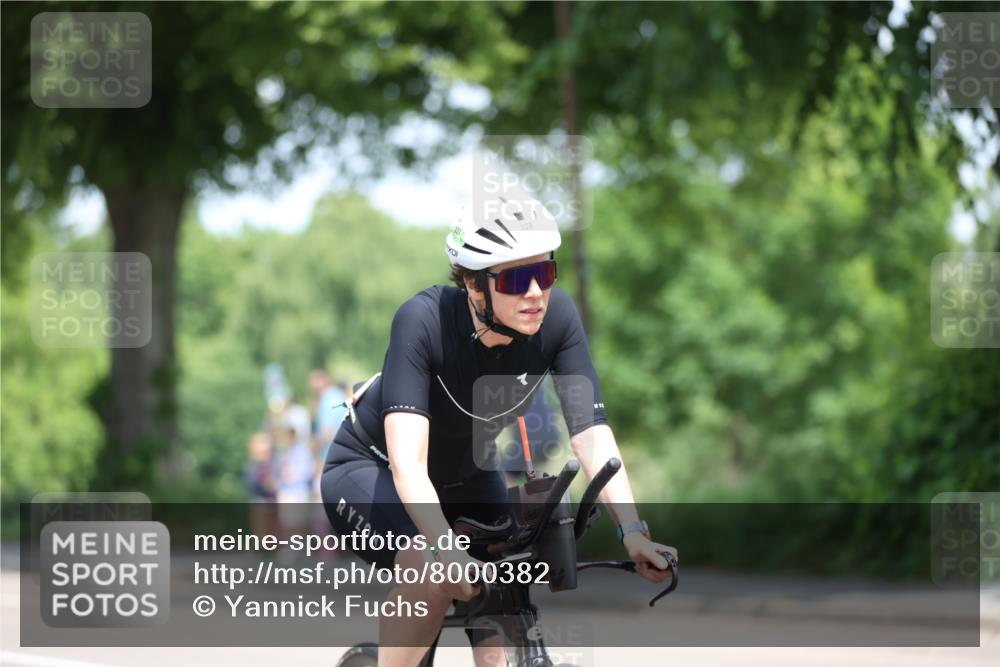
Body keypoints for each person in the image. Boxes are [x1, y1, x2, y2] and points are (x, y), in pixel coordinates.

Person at [320, 192, 675, 667]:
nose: (535, 292)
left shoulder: (558, 318)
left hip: (470, 475)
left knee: (504, 598)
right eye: (515, 279)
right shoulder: (422, 320)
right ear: (473, 283)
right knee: (431, 572)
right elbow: (408, 462)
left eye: (544, 272)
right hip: (372, 471)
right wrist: (445, 548)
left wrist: (632, 530)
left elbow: (591, 433)